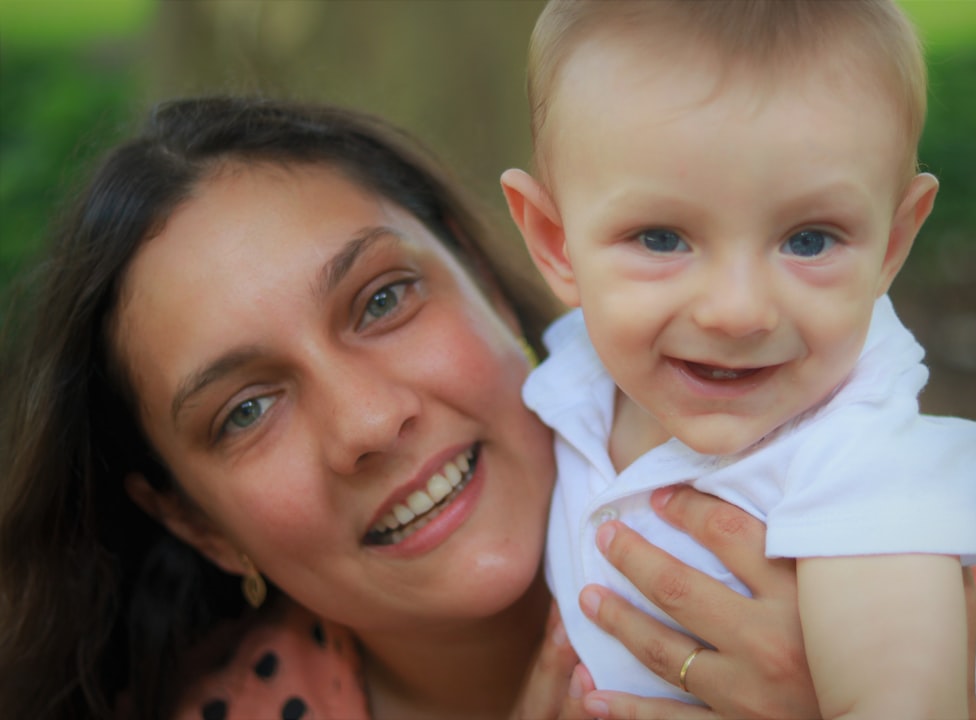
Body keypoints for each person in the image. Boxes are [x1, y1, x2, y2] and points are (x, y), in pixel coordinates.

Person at [0, 95, 833, 720]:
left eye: (383, 300)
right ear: (197, 523)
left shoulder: (873, 524)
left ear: (482, 278)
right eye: (246, 411)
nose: (366, 422)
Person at [501, 1, 976, 718]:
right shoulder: (582, 375)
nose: (737, 311)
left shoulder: (861, 461)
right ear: (556, 241)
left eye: (808, 240)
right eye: (660, 239)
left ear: (892, 245)